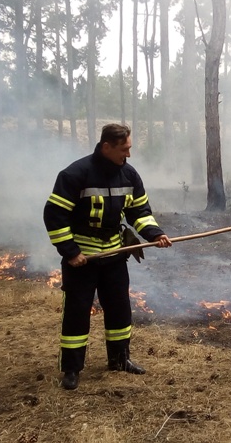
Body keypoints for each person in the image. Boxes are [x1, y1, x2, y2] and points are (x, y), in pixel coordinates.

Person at [43, 123, 172, 390]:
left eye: (130, 148)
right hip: (83, 260)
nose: (129, 155)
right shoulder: (75, 174)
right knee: (77, 313)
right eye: (124, 149)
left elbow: (140, 211)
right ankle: (72, 369)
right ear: (106, 147)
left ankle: (120, 359)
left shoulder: (130, 175)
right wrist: (71, 252)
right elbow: (54, 215)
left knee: (119, 309)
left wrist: (155, 235)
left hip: (115, 256)